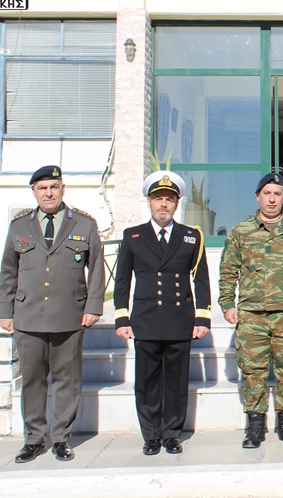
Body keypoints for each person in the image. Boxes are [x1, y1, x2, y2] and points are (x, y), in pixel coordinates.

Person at [0, 165, 104, 463]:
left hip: (69, 315)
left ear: (62, 189)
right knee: (32, 380)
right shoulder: (19, 226)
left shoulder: (83, 224)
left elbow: (97, 268)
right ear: (34, 191)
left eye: (53, 187)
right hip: (28, 316)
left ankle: (60, 439)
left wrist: (93, 306)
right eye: (42, 188)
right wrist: (5, 311)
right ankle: (33, 439)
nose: (48, 193)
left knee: (67, 381)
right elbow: (8, 272)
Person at [218, 172, 283, 449]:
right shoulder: (241, 231)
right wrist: (227, 304)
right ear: (258, 197)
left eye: (277, 194)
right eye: (267, 193)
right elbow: (228, 271)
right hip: (251, 314)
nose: (272, 198)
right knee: (253, 371)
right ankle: (255, 425)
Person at [113, 171, 212, 456]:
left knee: (176, 382)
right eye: (158, 199)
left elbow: (201, 279)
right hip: (145, 320)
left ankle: (172, 434)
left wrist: (202, 317)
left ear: (177, 204)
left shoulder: (191, 237)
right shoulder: (133, 236)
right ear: (149, 202)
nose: (163, 205)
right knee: (147, 382)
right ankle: (151, 435)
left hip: (179, 320)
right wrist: (122, 317)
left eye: (169, 199)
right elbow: (122, 280)